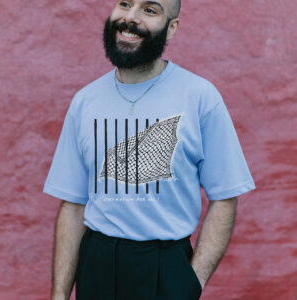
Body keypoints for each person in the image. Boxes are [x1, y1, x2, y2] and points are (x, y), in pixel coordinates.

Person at [43, 0, 256, 299]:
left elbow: (225, 197)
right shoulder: (84, 101)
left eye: (149, 10)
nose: (130, 18)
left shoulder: (200, 97)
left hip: (165, 266)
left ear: (172, 28)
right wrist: (59, 296)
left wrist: (190, 282)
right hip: (96, 265)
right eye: (125, 3)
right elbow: (74, 206)